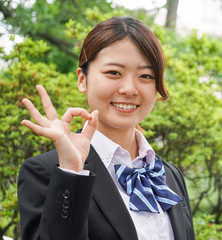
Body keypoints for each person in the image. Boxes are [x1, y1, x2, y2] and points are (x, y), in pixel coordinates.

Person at [17, 16, 195, 240]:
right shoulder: (47, 172)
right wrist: (72, 172)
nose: (129, 89)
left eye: (146, 76)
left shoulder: (169, 175)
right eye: (114, 73)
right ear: (82, 79)